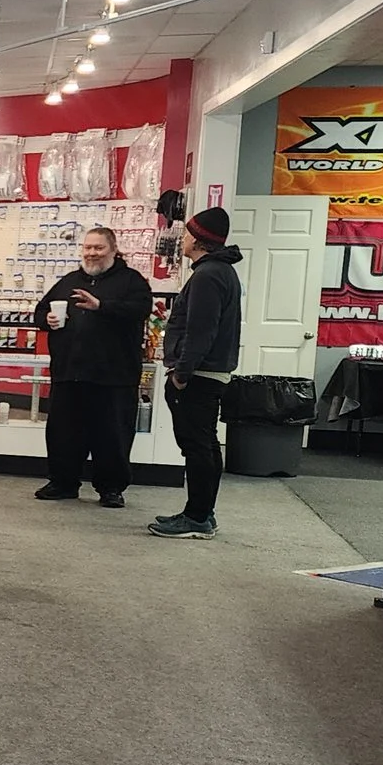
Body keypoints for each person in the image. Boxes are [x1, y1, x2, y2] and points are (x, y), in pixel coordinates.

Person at [31, 225, 154, 507]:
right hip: (69, 373)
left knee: (112, 435)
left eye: (98, 247)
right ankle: (62, 483)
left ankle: (111, 489)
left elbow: (140, 309)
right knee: (63, 433)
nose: (92, 253)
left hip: (113, 377)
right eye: (87, 247)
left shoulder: (131, 281)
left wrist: (102, 306)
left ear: (113, 250)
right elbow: (40, 310)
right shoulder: (69, 281)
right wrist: (46, 319)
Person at [151, 206, 242, 540]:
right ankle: (202, 512)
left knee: (198, 446)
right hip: (207, 373)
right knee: (203, 444)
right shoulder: (219, 272)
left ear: (199, 239)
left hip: (199, 376)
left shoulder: (208, 275)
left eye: (188, 233)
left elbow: (201, 330)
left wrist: (182, 374)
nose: (183, 239)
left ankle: (197, 517)